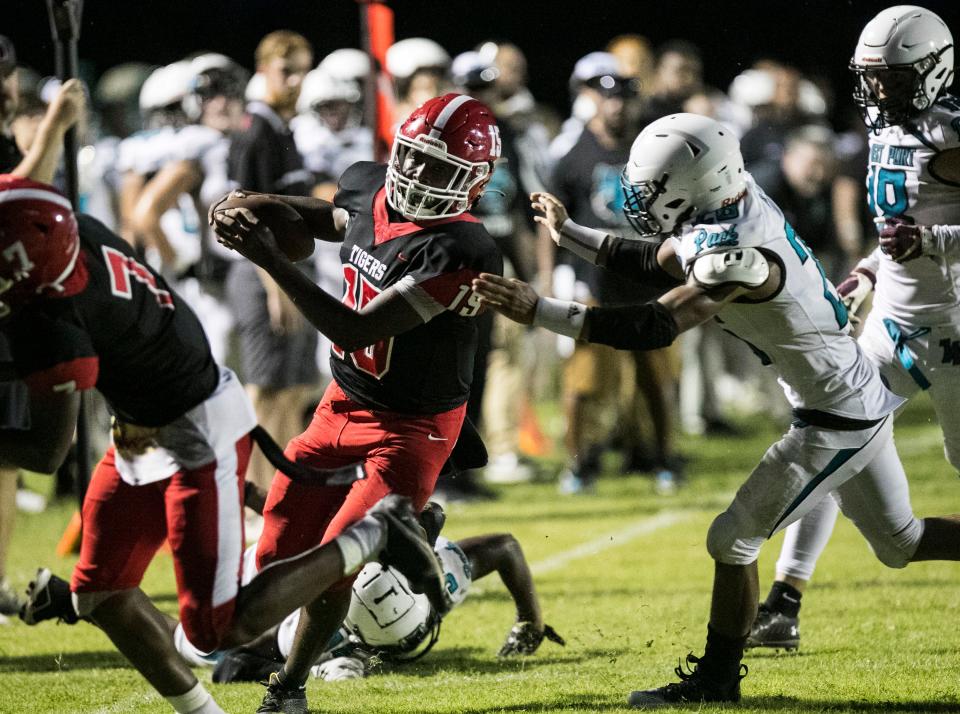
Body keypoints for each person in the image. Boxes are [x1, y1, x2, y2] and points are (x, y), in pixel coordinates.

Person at [471, 112, 960, 706]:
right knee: (900, 543)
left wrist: (539, 309)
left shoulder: (737, 251)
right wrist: (570, 232)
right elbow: (658, 260)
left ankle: (716, 681)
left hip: (838, 414)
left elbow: (658, 323)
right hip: (848, 392)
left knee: (731, 541)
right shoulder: (734, 199)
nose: (640, 201)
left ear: (692, 184)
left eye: (652, 190)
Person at [0, 175, 445, 714]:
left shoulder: (53, 321)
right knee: (101, 594)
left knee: (218, 628)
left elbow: (47, 452)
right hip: (146, 423)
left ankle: (372, 534)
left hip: (194, 430)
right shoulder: (72, 231)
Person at [210, 91, 503, 713]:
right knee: (278, 544)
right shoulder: (372, 187)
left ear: (474, 183)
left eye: (441, 170)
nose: (421, 177)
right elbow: (332, 218)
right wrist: (258, 206)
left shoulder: (462, 249)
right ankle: (271, 641)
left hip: (412, 427)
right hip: (342, 403)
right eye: (417, 159)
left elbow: (355, 329)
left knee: (334, 563)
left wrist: (263, 255)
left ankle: (289, 689)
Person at [751, 5, 960, 652]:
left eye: (893, 78)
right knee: (830, 441)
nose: (879, 91)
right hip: (893, 324)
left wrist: (933, 240)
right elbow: (890, 235)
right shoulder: (879, 125)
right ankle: (784, 600)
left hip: (955, 330)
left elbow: (920, 232)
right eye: (873, 77)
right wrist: (865, 275)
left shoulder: (951, 132)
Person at [174, 503, 564, 682]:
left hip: (329, 556)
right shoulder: (313, 627)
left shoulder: (433, 580)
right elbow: (231, 665)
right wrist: (310, 667)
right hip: (270, 576)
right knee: (195, 644)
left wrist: (531, 622)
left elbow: (505, 547)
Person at [227, 31, 318, 499]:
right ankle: (252, 499)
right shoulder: (255, 130)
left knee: (293, 390)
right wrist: (274, 283)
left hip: (290, 274)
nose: (297, 80)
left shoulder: (282, 128)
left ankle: (280, 492)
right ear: (263, 70)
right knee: (264, 390)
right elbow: (240, 215)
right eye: (287, 70)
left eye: (303, 69)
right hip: (265, 274)